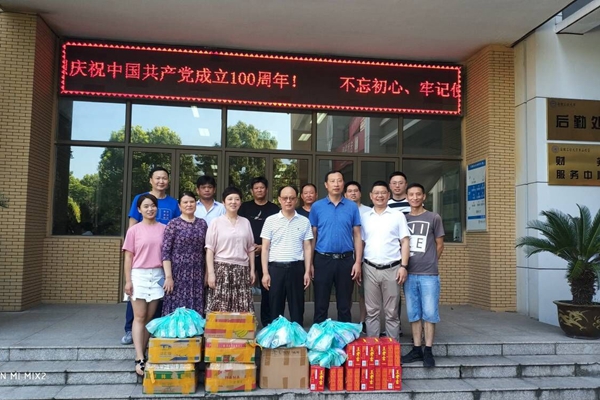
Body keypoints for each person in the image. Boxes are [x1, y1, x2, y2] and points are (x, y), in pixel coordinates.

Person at [121, 166, 180, 345]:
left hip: (162, 259)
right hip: (142, 257)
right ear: (151, 180)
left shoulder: (173, 203)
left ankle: (152, 332)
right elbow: (132, 224)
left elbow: (177, 226)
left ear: (168, 181)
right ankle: (130, 330)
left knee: (158, 299)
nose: (161, 181)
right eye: (157, 178)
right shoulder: (140, 198)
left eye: (164, 178)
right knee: (135, 298)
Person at [122, 194, 171, 376]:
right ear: (139, 209)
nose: (150, 209)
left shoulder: (165, 229)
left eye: (153, 206)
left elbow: (167, 255)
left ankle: (143, 352)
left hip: (158, 275)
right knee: (139, 316)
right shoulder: (134, 231)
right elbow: (128, 257)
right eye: (146, 206)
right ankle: (139, 357)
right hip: (139, 275)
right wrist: (128, 280)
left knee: (150, 318)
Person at [402, 183, 445, 368]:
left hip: (429, 274)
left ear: (424, 196)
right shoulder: (403, 218)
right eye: (411, 195)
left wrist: (431, 262)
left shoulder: (434, 217)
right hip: (409, 273)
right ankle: (416, 349)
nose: (415, 198)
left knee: (429, 312)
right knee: (413, 312)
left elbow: (440, 244)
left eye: (418, 194)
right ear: (407, 197)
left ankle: (428, 350)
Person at [310, 171, 362, 323]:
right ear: (326, 185)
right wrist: (310, 263)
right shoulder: (317, 206)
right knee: (321, 303)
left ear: (343, 183)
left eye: (339, 180)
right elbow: (313, 235)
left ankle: (345, 336)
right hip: (322, 259)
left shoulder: (352, 207)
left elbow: (357, 235)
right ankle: (319, 336)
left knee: (344, 304)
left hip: (346, 260)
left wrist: (357, 262)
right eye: (332, 181)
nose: (336, 184)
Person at [361, 181, 410, 340]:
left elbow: (405, 241)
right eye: (376, 193)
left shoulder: (397, 216)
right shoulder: (364, 217)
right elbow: (361, 243)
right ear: (371, 196)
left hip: (393, 268)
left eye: (383, 193)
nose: (379, 196)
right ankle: (373, 347)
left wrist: (404, 266)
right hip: (369, 268)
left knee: (392, 312)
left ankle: (392, 349)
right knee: (371, 311)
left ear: (388, 195)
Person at [260, 186, 313, 325]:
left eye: (292, 198)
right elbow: (265, 248)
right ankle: (276, 335)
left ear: (296, 199)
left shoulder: (304, 221)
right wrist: (265, 273)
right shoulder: (270, 220)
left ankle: (297, 336)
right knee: (275, 308)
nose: (288, 201)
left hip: (297, 268)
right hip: (276, 269)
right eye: (285, 198)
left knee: (297, 308)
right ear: (279, 199)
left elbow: (307, 247)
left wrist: (307, 271)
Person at [205, 186, 255, 313]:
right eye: (230, 199)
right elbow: (210, 249)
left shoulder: (245, 222)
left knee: (242, 308)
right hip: (222, 270)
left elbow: (250, 248)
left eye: (237, 199)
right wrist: (211, 273)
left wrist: (252, 270)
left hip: (242, 270)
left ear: (240, 202)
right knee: (221, 308)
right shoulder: (216, 222)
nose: (233, 202)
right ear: (223, 202)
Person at [238, 177, 280, 327]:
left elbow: (279, 232)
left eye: (262, 187)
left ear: (266, 190)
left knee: (267, 289)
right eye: (256, 188)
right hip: (245, 253)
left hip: (267, 253)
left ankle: (267, 322)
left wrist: (263, 246)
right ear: (252, 191)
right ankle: (244, 321)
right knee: (243, 289)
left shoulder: (274, 209)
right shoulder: (244, 208)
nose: (259, 190)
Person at [161, 191, 208, 316]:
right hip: (178, 273)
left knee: (196, 307)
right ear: (179, 206)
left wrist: (207, 273)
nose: (189, 205)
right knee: (177, 308)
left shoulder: (202, 224)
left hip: (197, 273)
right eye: (185, 202)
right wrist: (168, 277)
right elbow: (166, 252)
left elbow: (207, 250)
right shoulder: (173, 224)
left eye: (192, 202)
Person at [344, 180, 371, 333]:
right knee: (345, 292)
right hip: (346, 257)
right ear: (345, 194)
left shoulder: (369, 212)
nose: (353, 193)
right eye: (350, 191)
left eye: (356, 191)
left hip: (365, 258)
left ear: (360, 193)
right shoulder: (342, 209)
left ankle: (363, 321)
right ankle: (345, 321)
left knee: (364, 293)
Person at [387, 170, 410, 336]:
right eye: (394, 183)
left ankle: (420, 329)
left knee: (413, 293)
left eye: (400, 183)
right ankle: (397, 326)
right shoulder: (385, 205)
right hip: (393, 255)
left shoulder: (413, 202)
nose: (397, 186)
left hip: (412, 254)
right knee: (394, 295)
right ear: (390, 186)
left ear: (405, 185)